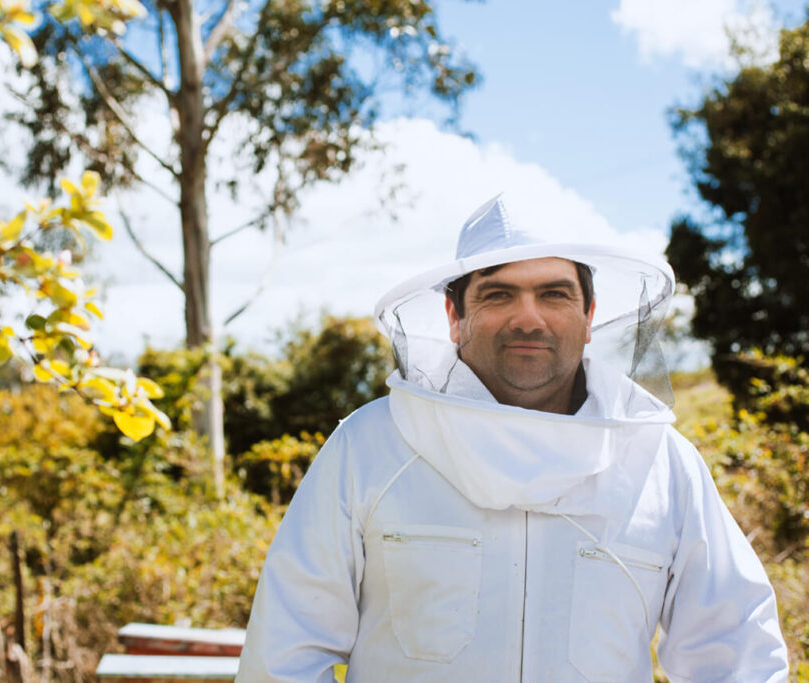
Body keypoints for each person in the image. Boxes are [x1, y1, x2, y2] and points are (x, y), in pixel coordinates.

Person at [235, 195, 788, 682]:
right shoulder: (370, 446)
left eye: (554, 294)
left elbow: (738, 654)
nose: (529, 319)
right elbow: (284, 655)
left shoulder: (662, 464)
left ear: (590, 315)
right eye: (498, 295)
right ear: (455, 315)